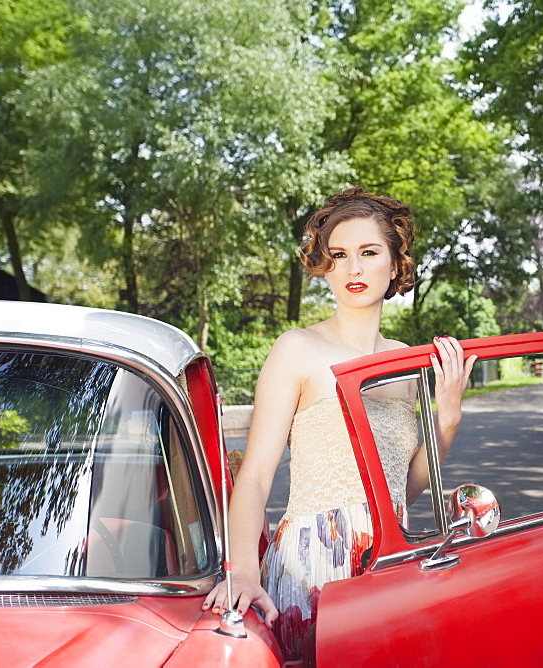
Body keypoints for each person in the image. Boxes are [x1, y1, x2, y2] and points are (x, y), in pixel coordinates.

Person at [202, 187, 476, 660]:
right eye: (339, 255)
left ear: (394, 265)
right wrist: (243, 571)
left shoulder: (406, 363)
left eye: (369, 253)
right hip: (311, 564)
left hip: (391, 560)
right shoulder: (296, 349)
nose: (353, 268)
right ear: (324, 266)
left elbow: (399, 490)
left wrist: (446, 421)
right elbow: (257, 474)